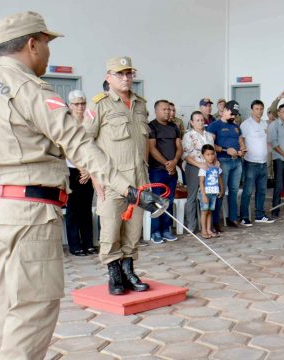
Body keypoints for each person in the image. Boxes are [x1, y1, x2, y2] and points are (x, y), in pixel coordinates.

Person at [0, 12, 163, 358]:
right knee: (34, 307)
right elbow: (78, 142)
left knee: (6, 303)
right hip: (30, 213)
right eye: (47, 45)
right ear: (32, 44)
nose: (49, 54)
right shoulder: (31, 88)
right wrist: (125, 188)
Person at [84, 56, 153, 295]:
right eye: (119, 74)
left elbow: (143, 141)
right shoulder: (99, 105)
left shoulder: (141, 104)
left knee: (134, 230)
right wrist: (94, 176)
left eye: (128, 73)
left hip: (138, 180)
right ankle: (114, 273)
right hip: (112, 181)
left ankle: (128, 268)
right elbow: (85, 142)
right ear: (108, 77)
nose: (125, 78)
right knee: (111, 228)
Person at [64, 90, 96, 257]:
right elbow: (66, 148)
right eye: (76, 104)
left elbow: (94, 146)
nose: (80, 107)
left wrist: (88, 169)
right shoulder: (67, 123)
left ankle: (89, 243)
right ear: (70, 105)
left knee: (86, 208)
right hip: (72, 169)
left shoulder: (90, 121)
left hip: (89, 170)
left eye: (83, 103)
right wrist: (80, 167)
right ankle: (75, 244)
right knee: (73, 209)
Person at [148, 100, 182, 243]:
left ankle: (166, 229)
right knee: (157, 201)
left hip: (172, 170)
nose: (167, 112)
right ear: (156, 111)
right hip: (157, 170)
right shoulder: (152, 126)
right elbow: (151, 148)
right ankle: (155, 232)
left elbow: (179, 147)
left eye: (169, 109)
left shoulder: (174, 126)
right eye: (164, 109)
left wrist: (174, 162)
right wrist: (166, 163)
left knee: (169, 200)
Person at [207, 101, 245, 231]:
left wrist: (242, 149)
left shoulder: (236, 126)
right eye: (231, 113)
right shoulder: (214, 125)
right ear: (224, 110)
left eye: (235, 114)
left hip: (237, 161)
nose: (233, 116)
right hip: (223, 161)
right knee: (220, 192)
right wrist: (225, 150)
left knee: (234, 191)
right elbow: (210, 145)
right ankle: (216, 221)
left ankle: (232, 218)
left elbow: (241, 141)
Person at [239, 100, 275, 225]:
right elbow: (241, 140)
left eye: (261, 109)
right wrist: (242, 149)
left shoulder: (265, 124)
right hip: (250, 163)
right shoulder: (245, 124)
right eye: (256, 109)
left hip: (263, 163)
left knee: (262, 191)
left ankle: (260, 215)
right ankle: (244, 217)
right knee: (248, 191)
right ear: (252, 110)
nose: (259, 111)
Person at [183, 111, 216, 231]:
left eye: (202, 120)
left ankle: (207, 227)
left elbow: (212, 152)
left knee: (207, 195)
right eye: (197, 120)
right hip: (194, 167)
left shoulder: (209, 135)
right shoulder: (188, 135)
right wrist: (199, 164)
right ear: (192, 122)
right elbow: (185, 155)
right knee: (192, 197)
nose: (200, 122)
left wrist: (214, 163)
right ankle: (191, 226)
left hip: (208, 169)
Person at [199, 144, 223, 238]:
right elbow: (201, 182)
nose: (210, 156)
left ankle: (209, 229)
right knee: (204, 212)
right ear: (203, 156)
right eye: (207, 154)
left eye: (212, 154)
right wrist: (203, 195)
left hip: (214, 193)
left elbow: (219, 177)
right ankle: (203, 231)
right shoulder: (204, 167)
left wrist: (222, 189)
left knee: (209, 211)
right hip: (206, 193)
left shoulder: (216, 166)